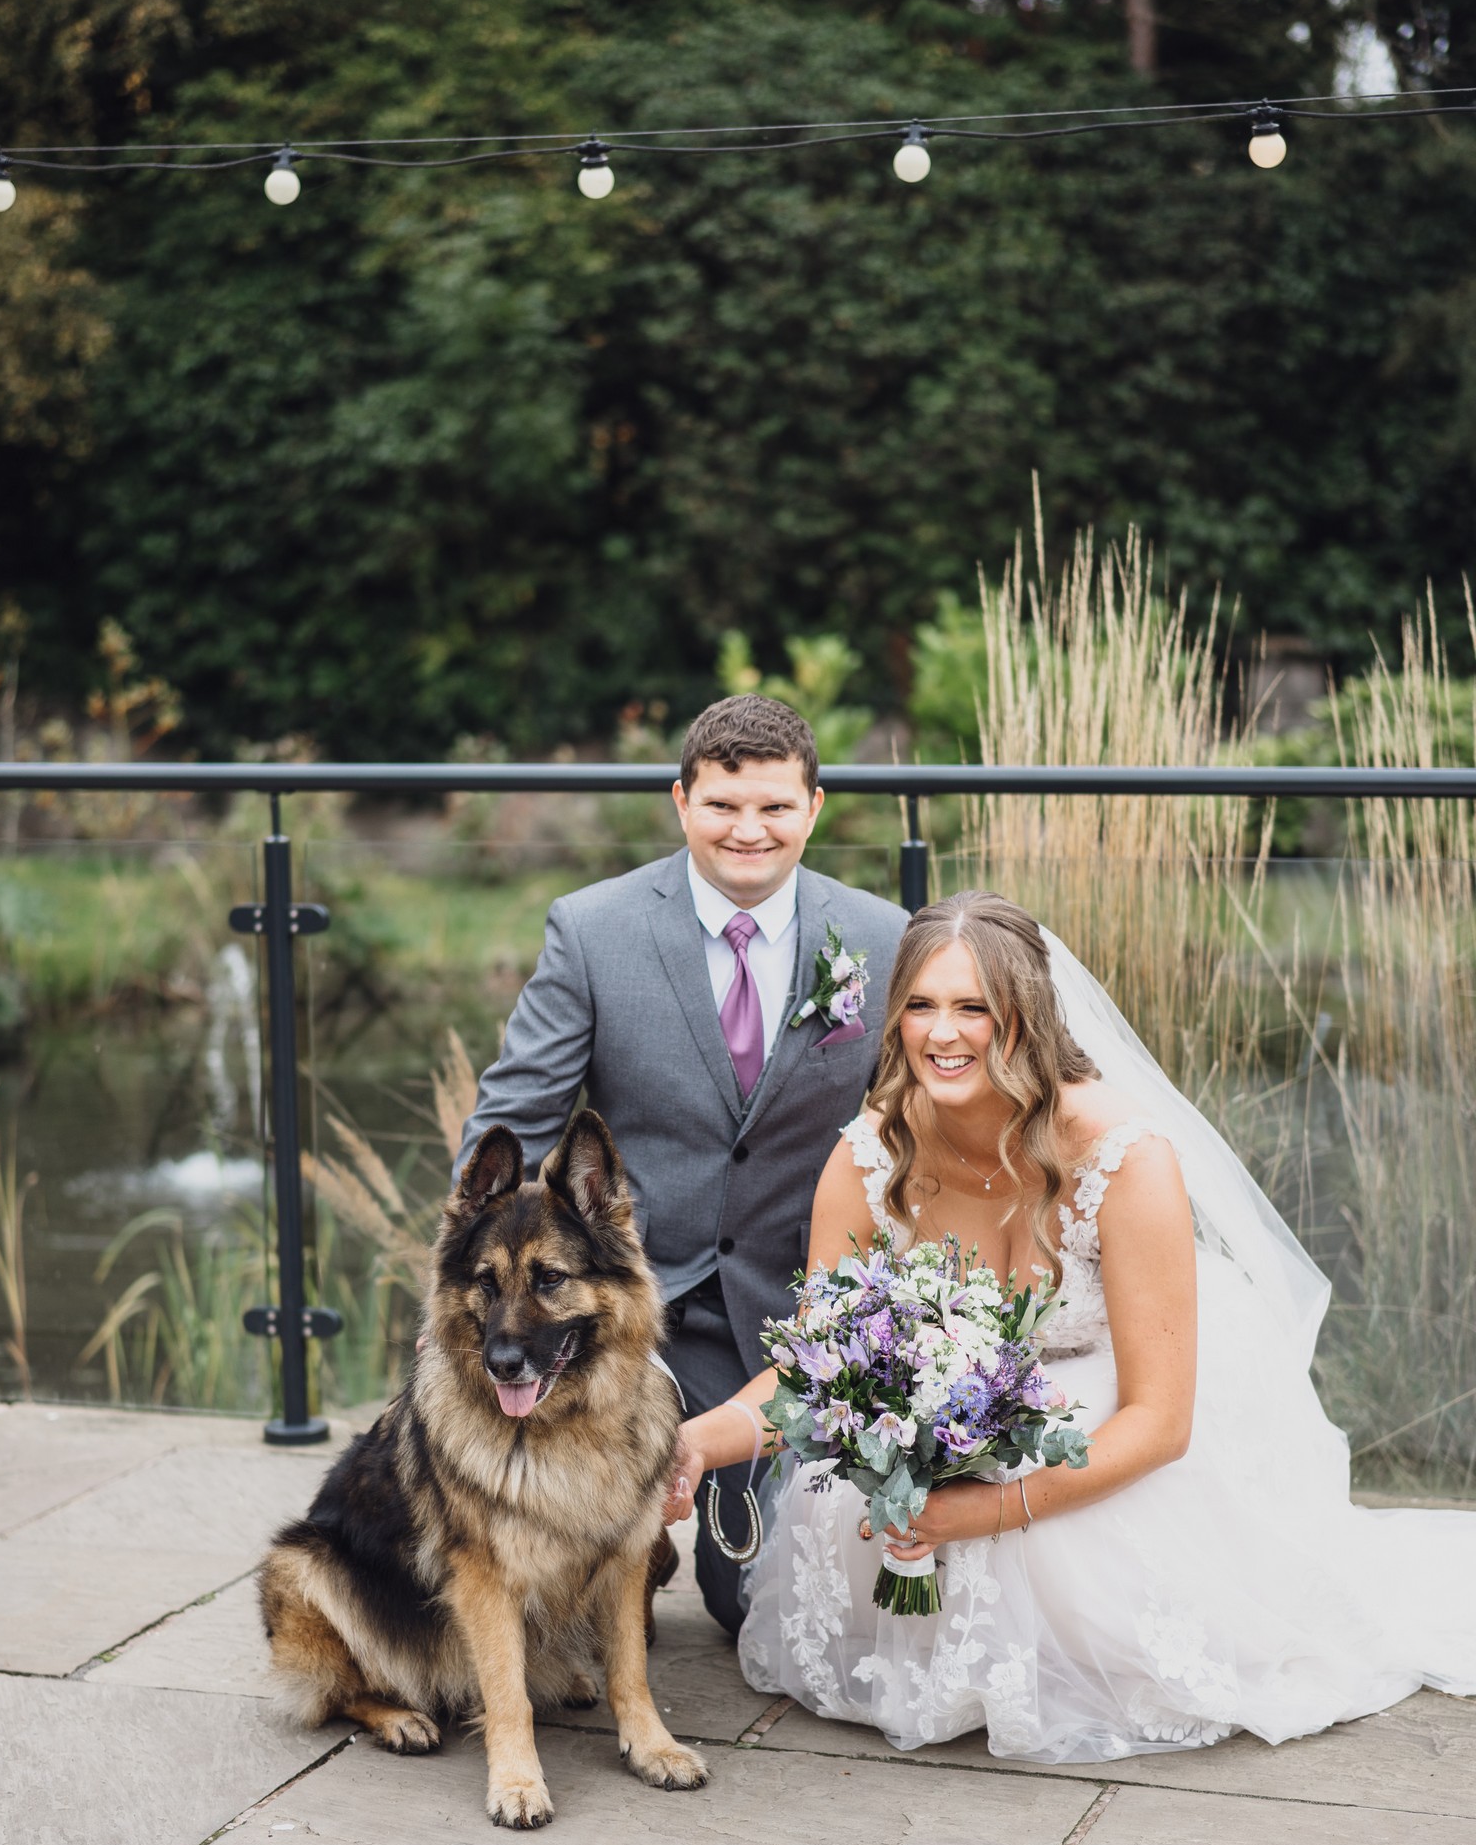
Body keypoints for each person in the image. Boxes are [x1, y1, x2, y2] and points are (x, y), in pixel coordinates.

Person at [675, 890, 1476, 1762]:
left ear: (1026, 1017)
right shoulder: (872, 1153)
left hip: (1110, 1422)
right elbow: (816, 1366)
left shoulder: (1123, 1156)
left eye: (974, 1008)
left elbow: (1161, 1423)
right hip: (951, 1410)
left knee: (1038, 1455)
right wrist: (696, 1445)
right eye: (922, 1006)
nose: (943, 1034)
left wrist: (979, 1511)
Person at [459, 695, 909, 1635]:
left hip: (809, 1299)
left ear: (815, 809)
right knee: (741, 1591)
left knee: (790, 1604)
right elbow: (514, 1114)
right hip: (649, 1313)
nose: (749, 831)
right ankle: (631, 1536)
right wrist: (468, 1276)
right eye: (722, 806)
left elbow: (918, 1124)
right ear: (680, 802)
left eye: (775, 808)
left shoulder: (879, 936)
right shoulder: (594, 931)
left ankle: (681, 1528)